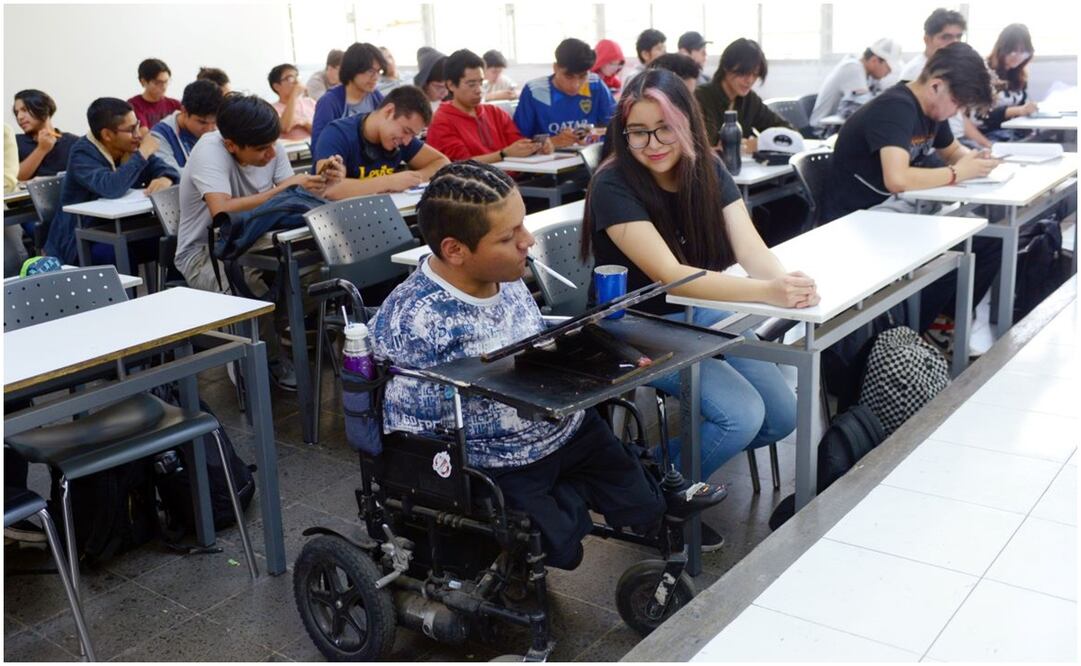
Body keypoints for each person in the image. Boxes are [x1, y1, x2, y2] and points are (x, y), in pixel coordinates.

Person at [370, 160, 688, 570]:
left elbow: (530, 341)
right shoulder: (415, 320)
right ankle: (562, 506)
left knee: (645, 505)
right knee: (563, 550)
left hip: (562, 427)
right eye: (509, 236)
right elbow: (411, 424)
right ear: (455, 250)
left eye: (522, 225)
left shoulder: (506, 275)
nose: (529, 241)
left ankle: (574, 495)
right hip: (499, 458)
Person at [581, 69, 805, 548]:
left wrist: (784, 281)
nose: (652, 143)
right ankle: (657, 501)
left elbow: (751, 250)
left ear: (686, 122)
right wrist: (768, 294)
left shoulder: (707, 169)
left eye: (664, 128)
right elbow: (671, 276)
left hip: (697, 313)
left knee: (783, 415)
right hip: (634, 325)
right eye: (637, 132)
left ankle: (646, 475)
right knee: (741, 415)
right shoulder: (613, 184)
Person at [823, 42, 1001, 333]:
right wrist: (957, 173)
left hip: (894, 213)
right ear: (936, 86)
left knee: (988, 239)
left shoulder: (932, 112)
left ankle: (940, 325)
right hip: (857, 222)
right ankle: (909, 337)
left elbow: (953, 153)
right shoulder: (897, 108)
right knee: (953, 248)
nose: (955, 112)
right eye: (956, 103)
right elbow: (898, 178)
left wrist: (977, 162)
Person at [177, 94, 344, 388]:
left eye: (272, 145)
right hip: (206, 255)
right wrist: (285, 188)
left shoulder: (269, 144)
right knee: (249, 283)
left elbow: (288, 199)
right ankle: (263, 357)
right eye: (261, 150)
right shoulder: (209, 151)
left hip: (261, 244)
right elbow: (222, 210)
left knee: (318, 273)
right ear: (231, 145)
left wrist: (319, 182)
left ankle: (268, 335)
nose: (270, 155)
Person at [44, 98, 179, 264]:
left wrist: (166, 178)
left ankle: (173, 288)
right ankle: (125, 291)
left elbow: (167, 170)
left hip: (124, 228)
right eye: (131, 130)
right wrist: (142, 153)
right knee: (114, 252)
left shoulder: (130, 147)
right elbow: (111, 187)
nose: (138, 135)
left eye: (137, 125)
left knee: (175, 240)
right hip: (82, 238)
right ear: (107, 134)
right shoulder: (82, 153)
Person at [313, 85, 449, 201]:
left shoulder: (402, 139)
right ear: (389, 111)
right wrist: (389, 182)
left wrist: (413, 179)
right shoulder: (337, 133)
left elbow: (442, 162)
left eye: (413, 135)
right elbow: (327, 188)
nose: (407, 141)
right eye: (406, 131)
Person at [426, 49, 553, 164]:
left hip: (515, 179)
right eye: (471, 84)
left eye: (481, 83)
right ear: (451, 85)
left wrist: (534, 147)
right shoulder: (442, 121)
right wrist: (503, 154)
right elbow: (461, 164)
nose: (479, 90)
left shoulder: (495, 113)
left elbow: (517, 143)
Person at [897, 9, 983, 148]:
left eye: (958, 37)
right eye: (946, 37)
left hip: (954, 141)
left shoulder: (951, 69)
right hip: (934, 146)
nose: (954, 43)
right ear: (927, 40)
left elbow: (960, 118)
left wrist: (986, 145)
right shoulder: (917, 72)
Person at [514, 38, 616, 149]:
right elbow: (517, 141)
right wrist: (552, 142)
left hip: (591, 158)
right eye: (569, 77)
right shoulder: (535, 91)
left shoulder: (595, 84)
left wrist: (594, 134)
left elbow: (616, 128)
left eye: (582, 77)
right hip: (547, 162)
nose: (576, 85)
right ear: (555, 68)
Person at [695, 38, 793, 152]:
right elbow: (693, 150)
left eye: (755, 74)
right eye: (744, 73)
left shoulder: (750, 99)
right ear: (726, 67)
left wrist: (762, 143)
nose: (750, 80)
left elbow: (788, 131)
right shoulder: (699, 98)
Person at [809, 38, 903, 130]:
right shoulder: (853, 68)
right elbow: (862, 109)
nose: (889, 73)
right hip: (823, 130)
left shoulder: (869, 75)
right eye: (888, 68)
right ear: (874, 60)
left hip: (838, 127)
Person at [310, 42, 387, 150]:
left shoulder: (376, 97)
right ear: (352, 69)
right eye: (370, 71)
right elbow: (319, 147)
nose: (376, 77)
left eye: (379, 71)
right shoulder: (329, 102)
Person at [973, 24, 1037, 143]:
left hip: (1012, 131)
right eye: (1013, 51)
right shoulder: (984, 71)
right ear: (1002, 49)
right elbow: (979, 116)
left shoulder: (1018, 74)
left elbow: (1021, 104)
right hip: (987, 133)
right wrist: (1019, 110)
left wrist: (1028, 109)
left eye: (1023, 51)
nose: (1018, 56)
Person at [149, 79, 223, 172]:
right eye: (202, 122)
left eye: (214, 122)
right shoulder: (159, 136)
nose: (209, 129)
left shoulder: (220, 128)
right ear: (184, 111)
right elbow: (172, 174)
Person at [12, 89, 78, 180]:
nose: (19, 117)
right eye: (16, 113)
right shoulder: (13, 142)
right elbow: (13, 179)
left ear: (44, 109)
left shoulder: (74, 142)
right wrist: (42, 149)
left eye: (24, 110)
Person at [127, 58, 181, 135]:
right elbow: (145, 135)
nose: (164, 86)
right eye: (158, 82)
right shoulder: (134, 105)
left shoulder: (176, 105)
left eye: (166, 81)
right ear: (143, 82)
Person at [268, 63, 316, 141]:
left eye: (297, 76)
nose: (297, 81)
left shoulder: (310, 102)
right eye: (290, 78)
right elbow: (284, 127)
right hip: (292, 151)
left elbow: (323, 132)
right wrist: (294, 94)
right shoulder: (271, 109)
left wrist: (305, 123)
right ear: (276, 86)